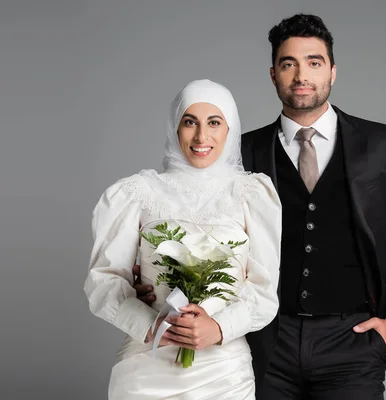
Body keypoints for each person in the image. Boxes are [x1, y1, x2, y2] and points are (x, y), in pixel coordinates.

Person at [137, 13, 386, 399]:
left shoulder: (381, 144)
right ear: (273, 74)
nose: (301, 75)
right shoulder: (241, 151)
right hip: (264, 341)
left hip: (353, 340)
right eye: (288, 63)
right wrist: (153, 279)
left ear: (333, 71)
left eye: (314, 62)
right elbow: (196, 224)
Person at [84, 79, 281, 399]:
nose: (202, 136)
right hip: (147, 367)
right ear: (175, 127)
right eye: (190, 122)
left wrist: (218, 329)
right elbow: (104, 283)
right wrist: (152, 325)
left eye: (214, 123)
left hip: (224, 372)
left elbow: (263, 291)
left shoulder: (252, 195)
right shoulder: (136, 193)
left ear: (229, 130)